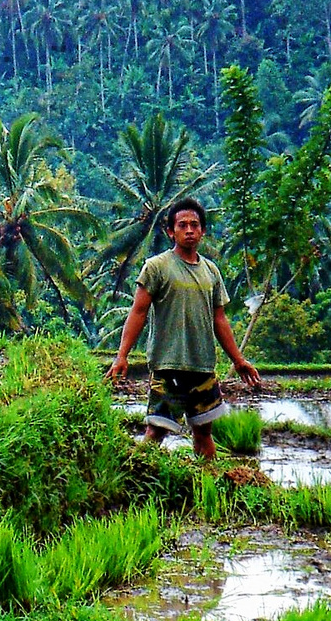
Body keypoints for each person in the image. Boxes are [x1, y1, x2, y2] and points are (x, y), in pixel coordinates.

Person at [105, 197, 261, 459]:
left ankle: (207, 486)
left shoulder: (211, 271)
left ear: (202, 231)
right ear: (171, 231)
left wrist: (239, 360)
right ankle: (134, 478)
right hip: (169, 365)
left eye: (194, 225)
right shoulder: (157, 267)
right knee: (156, 431)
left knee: (203, 433)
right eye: (182, 225)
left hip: (202, 366)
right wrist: (122, 355)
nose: (189, 230)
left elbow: (219, 320)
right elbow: (138, 311)